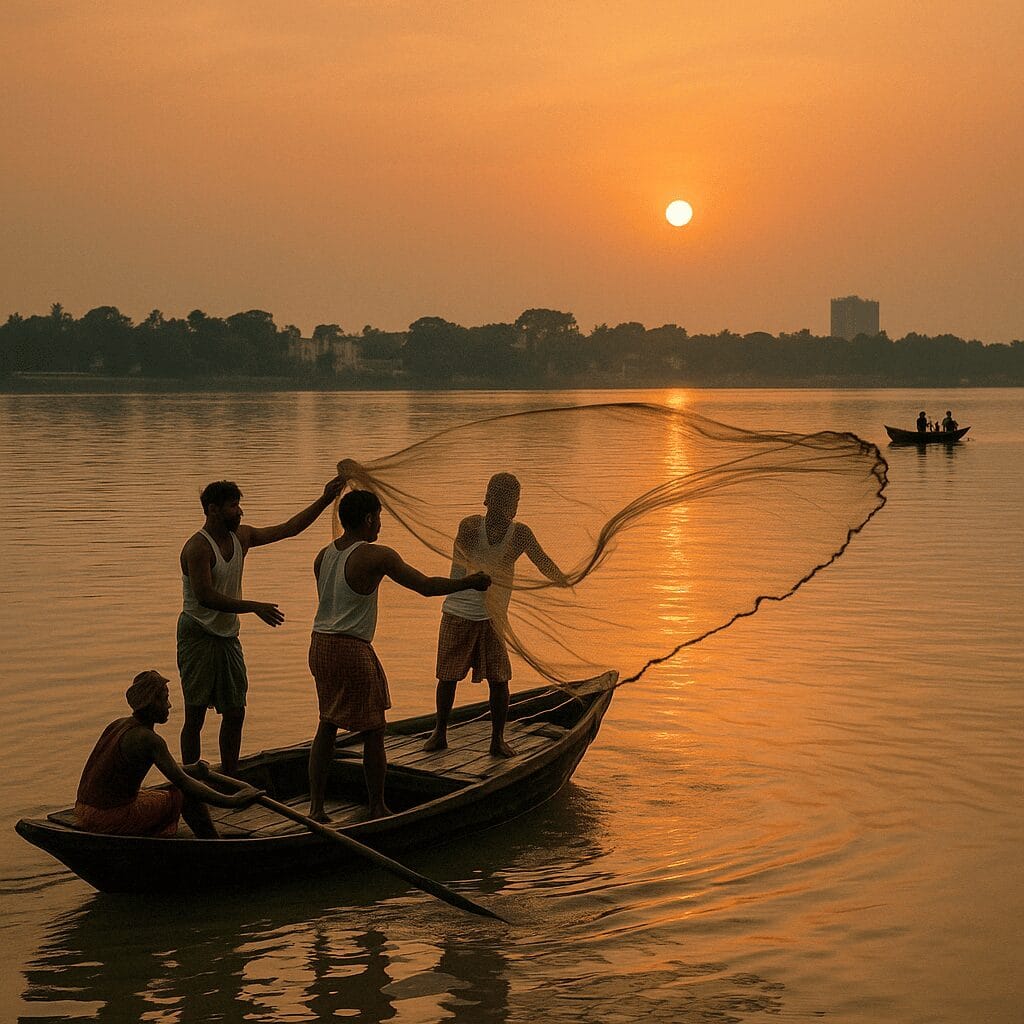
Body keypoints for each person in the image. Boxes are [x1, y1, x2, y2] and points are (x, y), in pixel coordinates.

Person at [307, 488, 491, 823]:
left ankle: (317, 808)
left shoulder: (323, 555)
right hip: (351, 648)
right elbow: (424, 586)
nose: (380, 524)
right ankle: (376, 806)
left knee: (328, 723)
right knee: (374, 730)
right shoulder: (377, 556)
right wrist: (470, 582)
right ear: (367, 519)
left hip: (319, 645)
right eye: (378, 517)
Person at [179, 474, 344, 776]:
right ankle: (190, 781)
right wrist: (254, 607)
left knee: (235, 711)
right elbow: (205, 597)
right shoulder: (197, 548)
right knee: (195, 713)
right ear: (213, 510)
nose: (240, 512)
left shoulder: (242, 537)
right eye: (233, 506)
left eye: (239, 505)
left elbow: (289, 529)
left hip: (227, 635)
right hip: (197, 634)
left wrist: (324, 498)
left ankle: (230, 775)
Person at [423, 472, 568, 758]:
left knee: (500, 678)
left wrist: (565, 578)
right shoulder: (470, 527)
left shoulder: (521, 534)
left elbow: (543, 562)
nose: (505, 507)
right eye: (500, 499)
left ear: (515, 504)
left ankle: (497, 740)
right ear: (487, 499)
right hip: (459, 610)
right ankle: (439, 732)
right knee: (448, 676)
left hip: (492, 617)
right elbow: (474, 564)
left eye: (510, 501)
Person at [75, 670, 262, 838]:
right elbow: (183, 782)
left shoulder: (118, 724)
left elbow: (176, 772)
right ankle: (215, 844)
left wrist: (193, 769)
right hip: (108, 817)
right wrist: (232, 801)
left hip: (83, 810)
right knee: (187, 795)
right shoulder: (149, 740)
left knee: (171, 790)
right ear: (150, 703)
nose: (169, 705)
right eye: (164, 699)